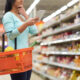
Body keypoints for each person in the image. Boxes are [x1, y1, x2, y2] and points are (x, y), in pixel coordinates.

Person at [2, 0, 39, 80]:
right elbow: (10, 35)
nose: (22, 0)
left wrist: (25, 15)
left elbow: (34, 31)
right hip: (16, 57)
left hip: (26, 57)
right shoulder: (8, 16)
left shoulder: (21, 17)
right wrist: (26, 24)